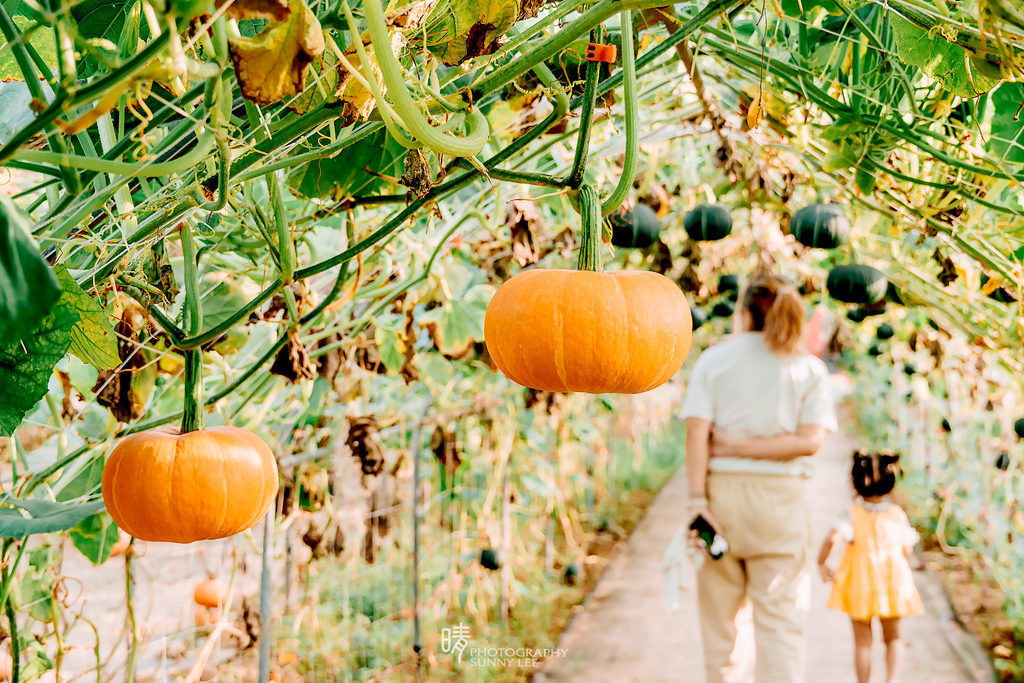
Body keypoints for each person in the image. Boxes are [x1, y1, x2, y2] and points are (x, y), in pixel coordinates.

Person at [680, 274, 838, 683]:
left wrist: (697, 501)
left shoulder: (714, 360)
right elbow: (809, 442)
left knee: (721, 629)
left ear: (744, 310)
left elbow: (697, 434)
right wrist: (744, 448)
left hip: (719, 502)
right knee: (781, 626)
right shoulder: (809, 369)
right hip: (780, 507)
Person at [818, 450, 922, 683]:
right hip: (892, 584)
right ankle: (891, 680)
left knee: (863, 642)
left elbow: (832, 538)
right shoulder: (896, 514)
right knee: (893, 638)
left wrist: (821, 562)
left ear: (855, 483)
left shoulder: (852, 514)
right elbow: (907, 547)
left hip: (860, 584)